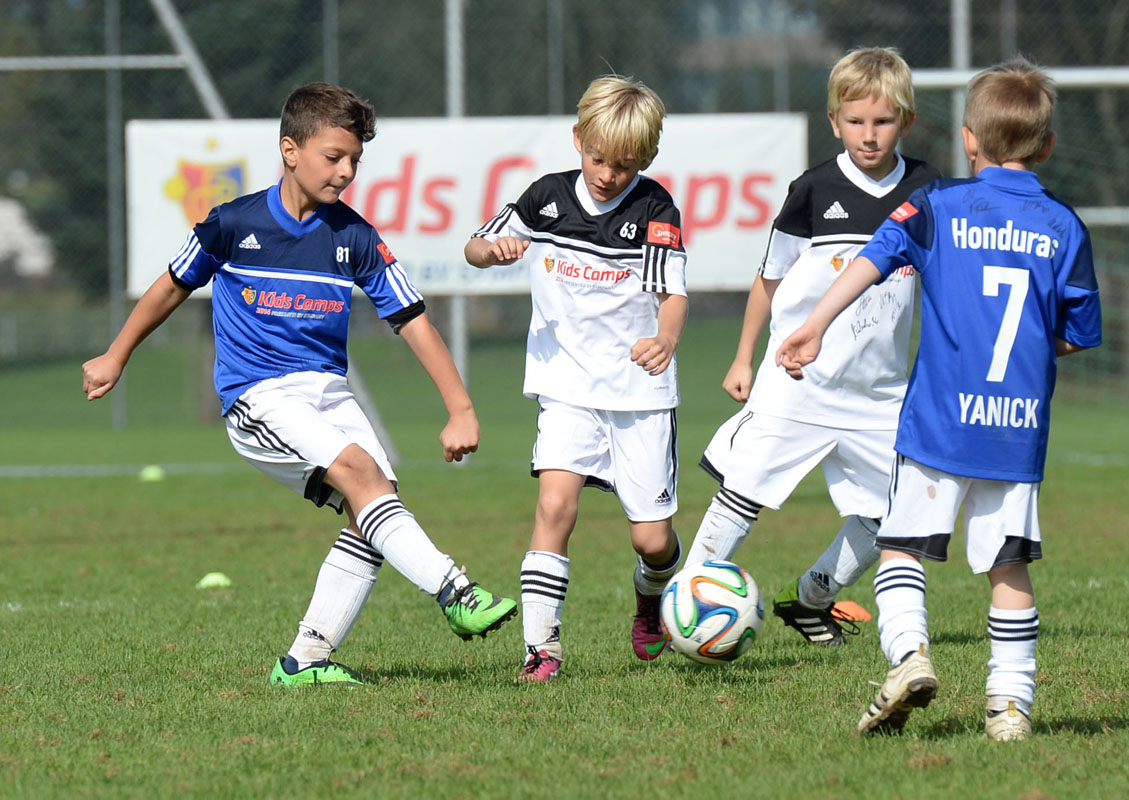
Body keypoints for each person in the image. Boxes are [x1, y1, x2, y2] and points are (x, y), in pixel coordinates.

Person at [82, 82, 517, 687]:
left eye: (355, 162)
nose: (346, 172)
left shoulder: (356, 238)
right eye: (333, 157)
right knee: (364, 478)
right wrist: (115, 355)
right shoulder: (234, 224)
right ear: (290, 150)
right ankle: (455, 590)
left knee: (375, 500)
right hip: (258, 396)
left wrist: (460, 407)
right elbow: (169, 288)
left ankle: (304, 661)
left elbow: (413, 321)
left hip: (328, 392)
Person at [776, 58, 1102, 740]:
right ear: (1045, 146)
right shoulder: (1065, 226)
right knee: (1008, 566)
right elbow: (1075, 334)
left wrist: (813, 325)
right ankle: (1010, 707)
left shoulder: (936, 206)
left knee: (901, 549)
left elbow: (872, 258)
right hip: (1014, 428)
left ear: (969, 140)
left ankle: (909, 657)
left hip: (938, 424)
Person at [684, 47, 940, 647]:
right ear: (834, 121)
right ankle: (690, 602)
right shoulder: (813, 189)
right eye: (855, 122)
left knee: (898, 514)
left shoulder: (930, 189)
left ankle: (812, 597)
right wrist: (743, 356)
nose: (868, 135)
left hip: (879, 393)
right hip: (798, 379)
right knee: (741, 491)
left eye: (881, 121)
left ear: (905, 119)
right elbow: (769, 278)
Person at [464, 74, 687, 681]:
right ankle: (543, 651)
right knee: (555, 506)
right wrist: (495, 252)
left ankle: (651, 595)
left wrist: (665, 338)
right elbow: (474, 248)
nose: (608, 174)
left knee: (651, 541)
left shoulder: (654, 209)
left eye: (624, 163)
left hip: (640, 395)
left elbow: (671, 295)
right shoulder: (546, 197)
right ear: (577, 139)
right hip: (566, 386)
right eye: (597, 157)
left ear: (645, 159)